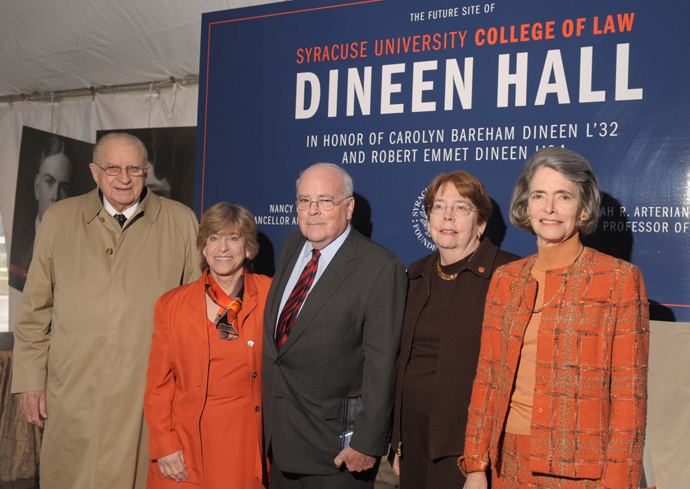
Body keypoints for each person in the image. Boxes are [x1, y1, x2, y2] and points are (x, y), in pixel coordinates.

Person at [11, 132, 200, 489]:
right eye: (113, 168)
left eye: (133, 168)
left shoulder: (181, 222)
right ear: (94, 171)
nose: (123, 178)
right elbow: (35, 311)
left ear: (146, 172)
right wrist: (31, 381)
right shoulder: (58, 219)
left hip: (147, 398)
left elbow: (194, 317)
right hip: (74, 391)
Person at [460, 147, 650, 489]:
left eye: (563, 196)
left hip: (583, 471)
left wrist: (619, 482)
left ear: (583, 208)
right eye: (539, 195)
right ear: (526, 204)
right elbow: (487, 377)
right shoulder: (507, 279)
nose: (549, 208)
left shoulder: (618, 279)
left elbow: (629, 399)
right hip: (507, 463)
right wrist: (475, 464)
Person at [262, 163, 407, 488]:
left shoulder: (380, 268)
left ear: (349, 207)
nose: (312, 211)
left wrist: (367, 443)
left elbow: (382, 366)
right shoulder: (290, 247)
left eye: (325, 200)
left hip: (337, 456)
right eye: (304, 201)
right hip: (280, 444)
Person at [389, 171, 519, 488]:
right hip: (413, 435)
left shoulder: (507, 274)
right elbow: (404, 360)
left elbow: (508, 375)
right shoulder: (416, 273)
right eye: (438, 206)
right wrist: (398, 440)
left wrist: (479, 464)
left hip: (466, 444)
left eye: (461, 207)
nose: (447, 215)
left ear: (481, 224)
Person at [145, 202, 270, 488]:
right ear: (203, 248)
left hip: (244, 444)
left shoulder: (270, 295)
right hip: (186, 444)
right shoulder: (171, 304)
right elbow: (157, 386)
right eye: (214, 238)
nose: (222, 248)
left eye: (233, 238)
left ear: (248, 249)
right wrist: (165, 444)